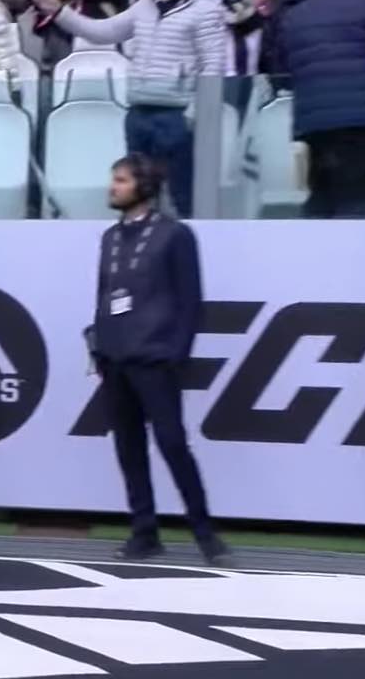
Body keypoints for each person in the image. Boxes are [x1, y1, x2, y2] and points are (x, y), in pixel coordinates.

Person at [90, 154, 228, 564]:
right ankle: (144, 531)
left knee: (172, 445)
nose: (112, 187)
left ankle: (205, 533)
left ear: (145, 187)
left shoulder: (175, 235)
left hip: (155, 359)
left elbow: (191, 302)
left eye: (121, 180)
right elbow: (103, 295)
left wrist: (176, 355)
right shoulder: (109, 238)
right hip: (115, 359)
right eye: (113, 179)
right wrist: (99, 346)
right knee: (128, 448)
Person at [36, 0, 228, 216]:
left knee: (182, 194)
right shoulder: (145, 6)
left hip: (176, 117)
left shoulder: (205, 9)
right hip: (138, 114)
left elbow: (213, 65)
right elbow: (102, 32)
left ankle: (188, 245)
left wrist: (194, 114)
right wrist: (59, 12)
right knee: (138, 196)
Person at [274, 0, 365, 218]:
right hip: (362, 120)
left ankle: (310, 255)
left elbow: (281, 70)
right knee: (353, 195)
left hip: (313, 123)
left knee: (322, 191)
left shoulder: (293, 15)